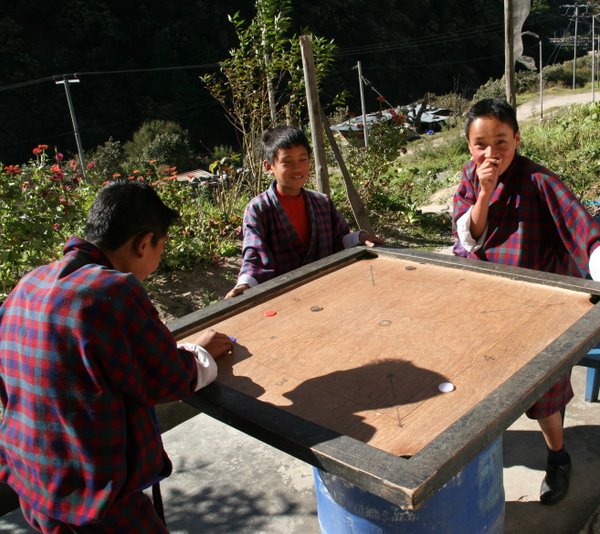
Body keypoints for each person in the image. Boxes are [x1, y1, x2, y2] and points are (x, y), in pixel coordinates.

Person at [0, 180, 233, 533]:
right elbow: (168, 380)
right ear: (144, 243)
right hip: (94, 498)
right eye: (161, 246)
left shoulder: (28, 284)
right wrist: (200, 351)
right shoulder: (114, 290)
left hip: (33, 482)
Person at [452, 98, 600, 505]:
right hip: (486, 301)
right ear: (469, 146)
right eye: (480, 144)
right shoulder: (470, 180)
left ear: (517, 139)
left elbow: (584, 231)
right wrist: (484, 193)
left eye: (500, 142)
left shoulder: (541, 181)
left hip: (540, 307)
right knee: (481, 380)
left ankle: (558, 456)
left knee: (544, 392)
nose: (491, 153)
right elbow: (468, 237)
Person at [226, 126, 381, 298]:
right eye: (287, 162)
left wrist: (360, 237)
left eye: (302, 160)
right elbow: (254, 255)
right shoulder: (258, 209)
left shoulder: (321, 202)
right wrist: (245, 283)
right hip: (284, 298)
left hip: (326, 290)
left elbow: (339, 239)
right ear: (269, 166)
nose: (297, 168)